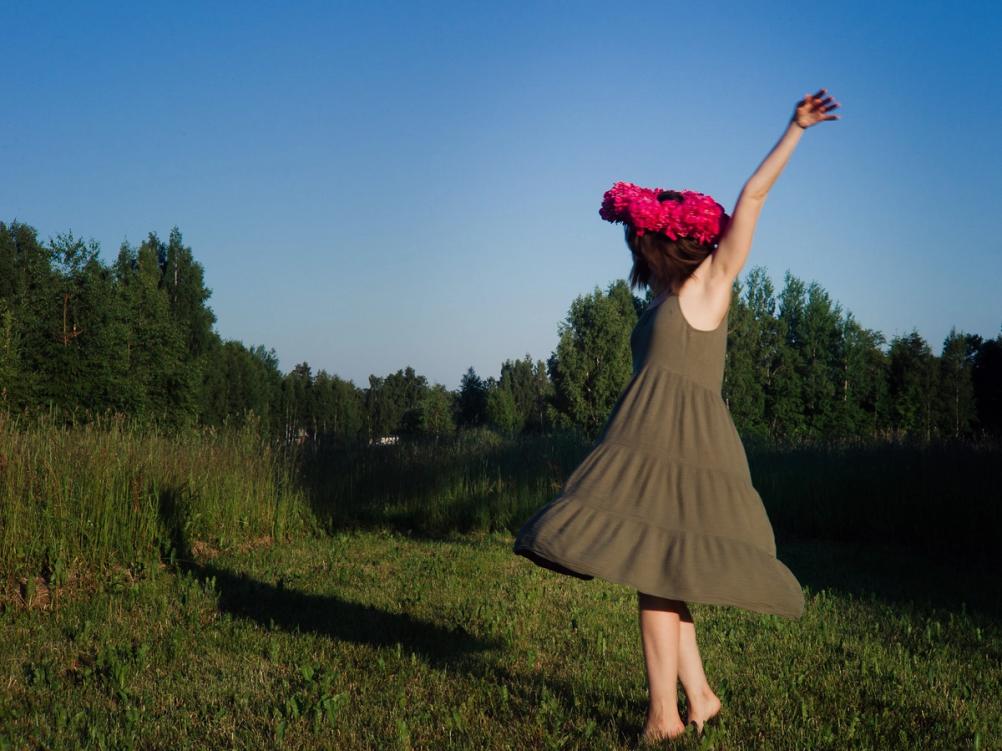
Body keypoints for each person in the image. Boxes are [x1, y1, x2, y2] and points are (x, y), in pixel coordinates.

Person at [512, 88, 841, 742]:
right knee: (663, 570)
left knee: (653, 572)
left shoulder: (709, 283)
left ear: (665, 239)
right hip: (647, 444)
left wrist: (795, 128)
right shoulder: (661, 297)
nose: (636, 246)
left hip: (688, 447)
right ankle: (700, 697)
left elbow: (752, 198)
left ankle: (664, 716)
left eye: (641, 236)